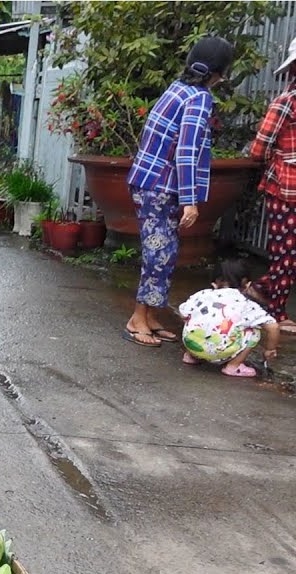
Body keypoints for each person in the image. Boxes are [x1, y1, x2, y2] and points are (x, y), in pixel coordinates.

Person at [125, 36, 235, 348]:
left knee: (165, 251)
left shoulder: (178, 88)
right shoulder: (199, 98)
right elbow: (186, 151)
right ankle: (137, 319)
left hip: (150, 181)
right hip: (161, 186)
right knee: (159, 254)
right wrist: (190, 201)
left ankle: (150, 317)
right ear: (219, 73)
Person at [247, 36, 296, 335]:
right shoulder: (285, 103)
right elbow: (259, 149)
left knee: (289, 254)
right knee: (285, 254)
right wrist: (283, 161)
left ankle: (259, 289)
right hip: (284, 191)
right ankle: (276, 313)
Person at [179, 258, 280, 378]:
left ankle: (191, 356)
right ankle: (233, 366)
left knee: (196, 320)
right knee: (254, 331)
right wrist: (270, 349)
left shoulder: (202, 294)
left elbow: (183, 313)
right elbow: (274, 327)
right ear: (247, 285)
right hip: (219, 351)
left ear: (214, 283)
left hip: (192, 345)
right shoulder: (247, 305)